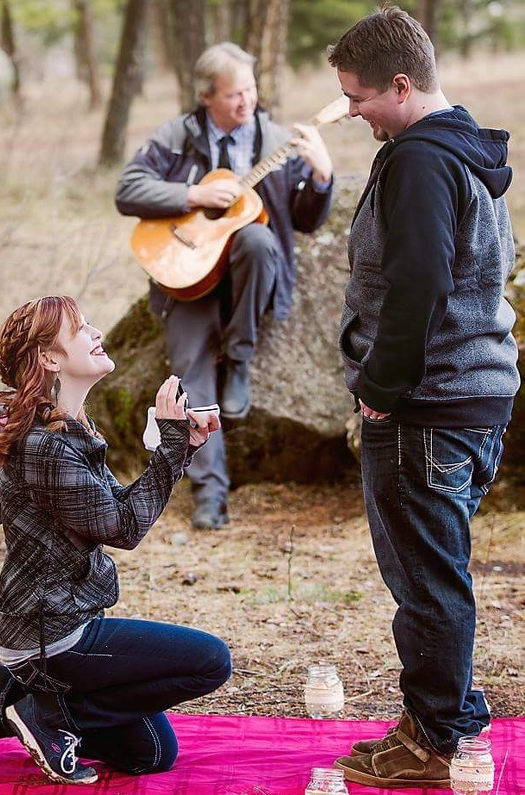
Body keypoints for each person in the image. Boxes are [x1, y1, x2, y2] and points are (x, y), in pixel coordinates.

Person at [327, 5, 519, 789]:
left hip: (426, 411)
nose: (353, 112)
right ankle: (436, 721)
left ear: (401, 86)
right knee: (435, 574)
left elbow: (421, 283)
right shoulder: (460, 146)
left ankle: (434, 746)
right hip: (468, 402)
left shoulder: (420, 161)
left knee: (427, 583)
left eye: (360, 97)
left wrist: (380, 389)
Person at [0, 295, 231, 785]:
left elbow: (110, 515)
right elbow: (124, 530)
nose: (96, 332)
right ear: (50, 357)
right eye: (80, 328)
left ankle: (4, 702)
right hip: (50, 635)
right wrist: (169, 450)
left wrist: (177, 447)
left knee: (151, 756)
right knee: (211, 661)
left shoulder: (71, 428)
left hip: (65, 620)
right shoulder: (45, 446)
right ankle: (44, 716)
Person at [115, 42, 334, 530]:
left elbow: (307, 219)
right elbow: (128, 189)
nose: (246, 101)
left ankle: (238, 356)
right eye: (234, 94)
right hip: (189, 281)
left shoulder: (276, 139)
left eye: (251, 90)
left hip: (249, 282)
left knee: (257, 239)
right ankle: (210, 495)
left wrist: (321, 176)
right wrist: (191, 194)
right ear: (206, 96)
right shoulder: (177, 136)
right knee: (191, 382)